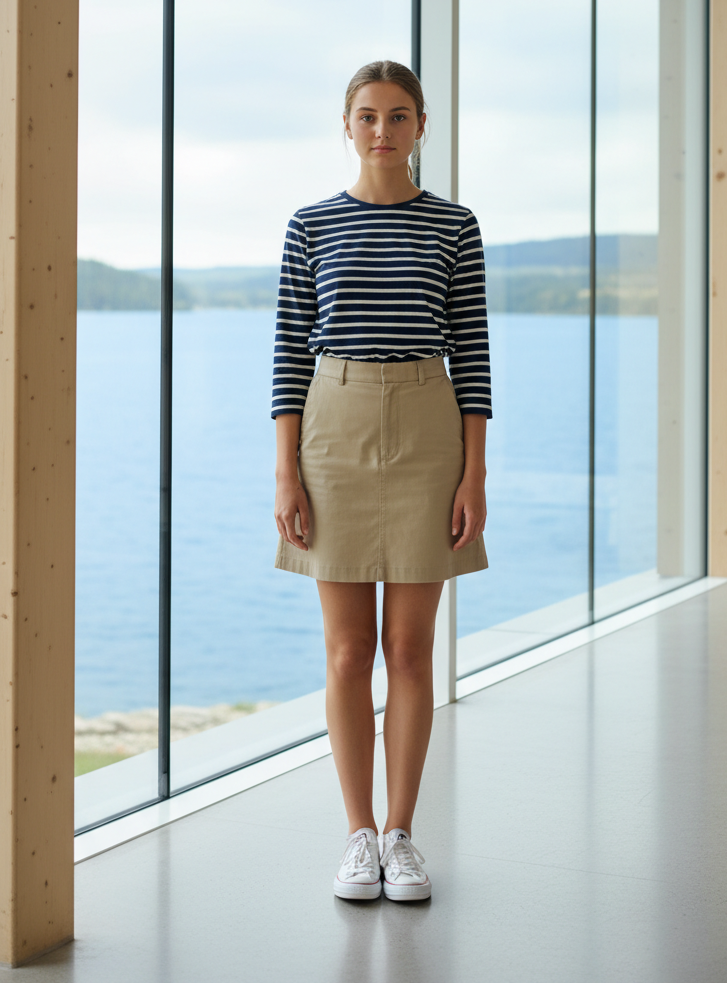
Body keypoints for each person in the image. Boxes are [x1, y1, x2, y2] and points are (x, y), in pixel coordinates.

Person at [272, 59, 491, 902]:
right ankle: (356, 834)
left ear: (421, 127)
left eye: (399, 116)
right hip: (333, 423)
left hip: (429, 424)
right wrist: (286, 472)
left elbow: (471, 354)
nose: (382, 131)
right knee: (346, 649)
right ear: (347, 125)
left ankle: (402, 836)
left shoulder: (455, 227)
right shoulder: (310, 226)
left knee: (407, 648)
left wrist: (474, 473)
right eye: (367, 115)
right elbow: (291, 352)